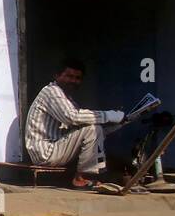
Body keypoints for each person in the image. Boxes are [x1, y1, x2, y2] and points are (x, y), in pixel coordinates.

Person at [24, 57, 123, 189]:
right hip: (45, 152)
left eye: (77, 78)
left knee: (94, 129)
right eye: (69, 76)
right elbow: (72, 117)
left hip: (57, 148)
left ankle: (95, 175)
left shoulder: (67, 99)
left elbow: (88, 133)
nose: (73, 81)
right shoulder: (52, 92)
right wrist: (109, 115)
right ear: (57, 76)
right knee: (91, 128)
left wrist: (119, 124)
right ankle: (81, 178)